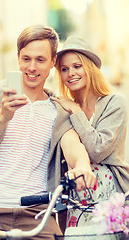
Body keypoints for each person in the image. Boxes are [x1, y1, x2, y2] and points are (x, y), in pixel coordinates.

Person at [0, 26, 96, 240]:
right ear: (18, 58)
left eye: (40, 60)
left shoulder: (57, 109)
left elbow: (73, 147)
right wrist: (3, 116)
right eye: (26, 59)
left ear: (53, 62)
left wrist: (83, 167)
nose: (31, 67)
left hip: (37, 214)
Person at [52, 35, 129, 229]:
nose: (71, 73)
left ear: (90, 68)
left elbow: (98, 150)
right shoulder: (63, 108)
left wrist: (76, 112)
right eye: (64, 69)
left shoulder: (115, 103)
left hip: (111, 197)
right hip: (76, 195)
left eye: (77, 66)